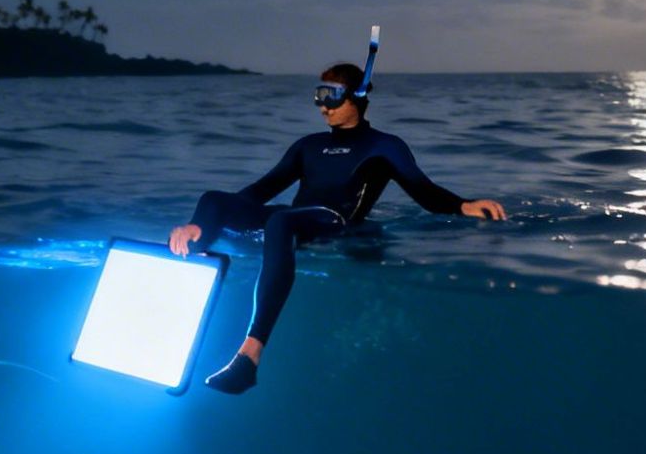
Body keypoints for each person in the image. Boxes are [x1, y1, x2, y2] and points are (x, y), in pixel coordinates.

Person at [168, 62, 506, 395]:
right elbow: (259, 191)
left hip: (334, 223)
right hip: (293, 219)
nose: (322, 106)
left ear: (356, 96)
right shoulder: (308, 145)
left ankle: (251, 354)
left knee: (280, 220)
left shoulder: (384, 146)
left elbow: (424, 191)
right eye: (318, 95)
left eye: (331, 95)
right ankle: (190, 251)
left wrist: (464, 205)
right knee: (213, 199)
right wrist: (205, 221)